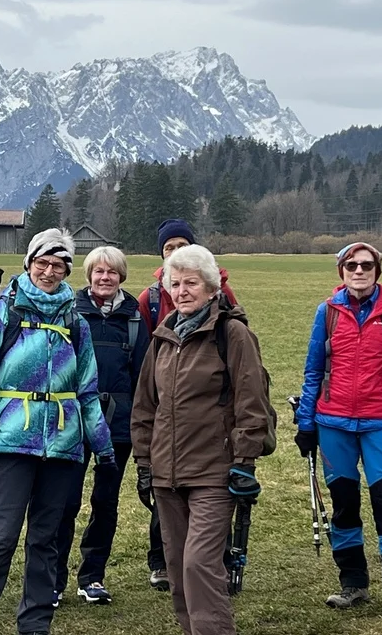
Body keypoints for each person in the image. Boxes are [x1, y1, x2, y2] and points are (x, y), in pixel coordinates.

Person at [0, 228, 117, 635]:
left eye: (58, 265)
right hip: (12, 442)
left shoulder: (76, 323)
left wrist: (104, 447)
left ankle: (35, 625)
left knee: (45, 541)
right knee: (2, 537)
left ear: (66, 270)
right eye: (42, 263)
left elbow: (87, 390)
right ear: (28, 263)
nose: (48, 271)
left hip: (63, 446)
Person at [131, 244, 271, 635]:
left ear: (211, 288)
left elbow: (252, 403)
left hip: (215, 470)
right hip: (165, 473)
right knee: (176, 569)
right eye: (174, 284)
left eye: (190, 283)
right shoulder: (162, 338)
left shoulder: (232, 334)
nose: (181, 291)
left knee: (200, 565)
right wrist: (145, 464)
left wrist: (244, 462)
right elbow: (145, 407)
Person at [294, 242, 382, 626]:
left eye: (366, 265)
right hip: (333, 423)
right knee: (344, 505)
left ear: (377, 271)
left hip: (381, 424)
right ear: (342, 271)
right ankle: (353, 582)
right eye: (351, 265)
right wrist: (305, 423)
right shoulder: (327, 313)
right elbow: (313, 370)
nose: (359, 271)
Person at [136, 218, 239, 590]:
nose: (181, 290)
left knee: (205, 530)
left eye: (182, 244)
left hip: (209, 439)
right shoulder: (149, 300)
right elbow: (144, 358)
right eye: (169, 248)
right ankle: (161, 561)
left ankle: (215, 563)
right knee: (169, 511)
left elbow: (243, 382)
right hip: (166, 415)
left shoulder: (228, 319)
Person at [53, 246, 151, 606]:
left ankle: (92, 577)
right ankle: (54, 579)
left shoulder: (136, 318)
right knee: (65, 502)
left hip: (120, 426)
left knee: (105, 502)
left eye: (111, 272)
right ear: (88, 275)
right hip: (74, 423)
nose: (104, 278)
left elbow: (143, 376)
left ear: (121, 276)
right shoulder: (69, 313)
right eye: (98, 272)